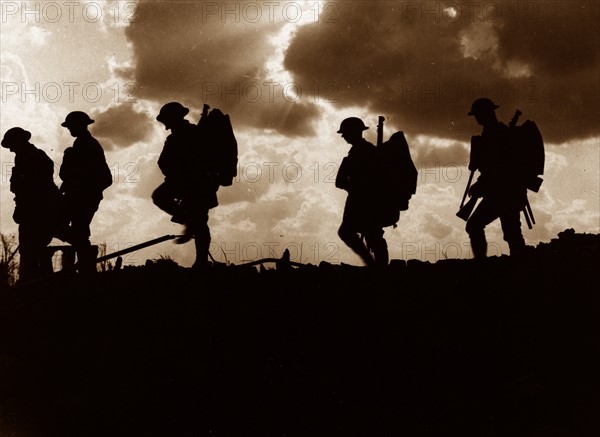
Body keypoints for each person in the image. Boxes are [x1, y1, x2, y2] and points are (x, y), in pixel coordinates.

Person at [152, 101, 219, 271]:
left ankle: (201, 260)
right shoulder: (191, 133)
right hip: (195, 184)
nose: (165, 124)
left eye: (166, 120)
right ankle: (200, 258)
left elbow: (167, 162)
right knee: (200, 222)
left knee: (198, 221)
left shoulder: (183, 136)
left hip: (195, 184)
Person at [464, 97, 528, 259]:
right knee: (512, 232)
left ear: (487, 113)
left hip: (503, 193)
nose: (477, 118)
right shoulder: (495, 133)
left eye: (478, 114)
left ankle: (484, 265)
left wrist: (480, 185)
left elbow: (498, 167)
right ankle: (519, 266)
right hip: (505, 193)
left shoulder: (496, 134)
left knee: (477, 226)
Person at [1, 127, 62, 282]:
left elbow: (36, 186)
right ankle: (33, 281)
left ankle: (36, 283)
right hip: (31, 210)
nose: (11, 149)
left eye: (12, 145)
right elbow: (18, 186)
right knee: (31, 248)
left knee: (34, 247)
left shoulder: (36, 157)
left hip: (40, 210)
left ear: (20, 142)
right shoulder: (22, 158)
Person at [58, 111, 112, 272]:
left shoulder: (86, 146)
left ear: (81, 126)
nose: (69, 129)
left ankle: (86, 265)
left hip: (83, 198)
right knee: (75, 230)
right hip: (81, 197)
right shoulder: (83, 144)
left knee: (69, 228)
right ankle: (85, 259)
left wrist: (87, 193)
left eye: (71, 126)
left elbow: (100, 177)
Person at [335, 117, 389, 267]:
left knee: (363, 234)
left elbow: (343, 180)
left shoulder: (362, 151)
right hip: (365, 199)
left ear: (353, 132)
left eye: (345, 133)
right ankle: (376, 266)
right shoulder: (364, 150)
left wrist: (353, 185)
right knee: (373, 235)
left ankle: (374, 265)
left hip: (363, 200)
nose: (343, 136)